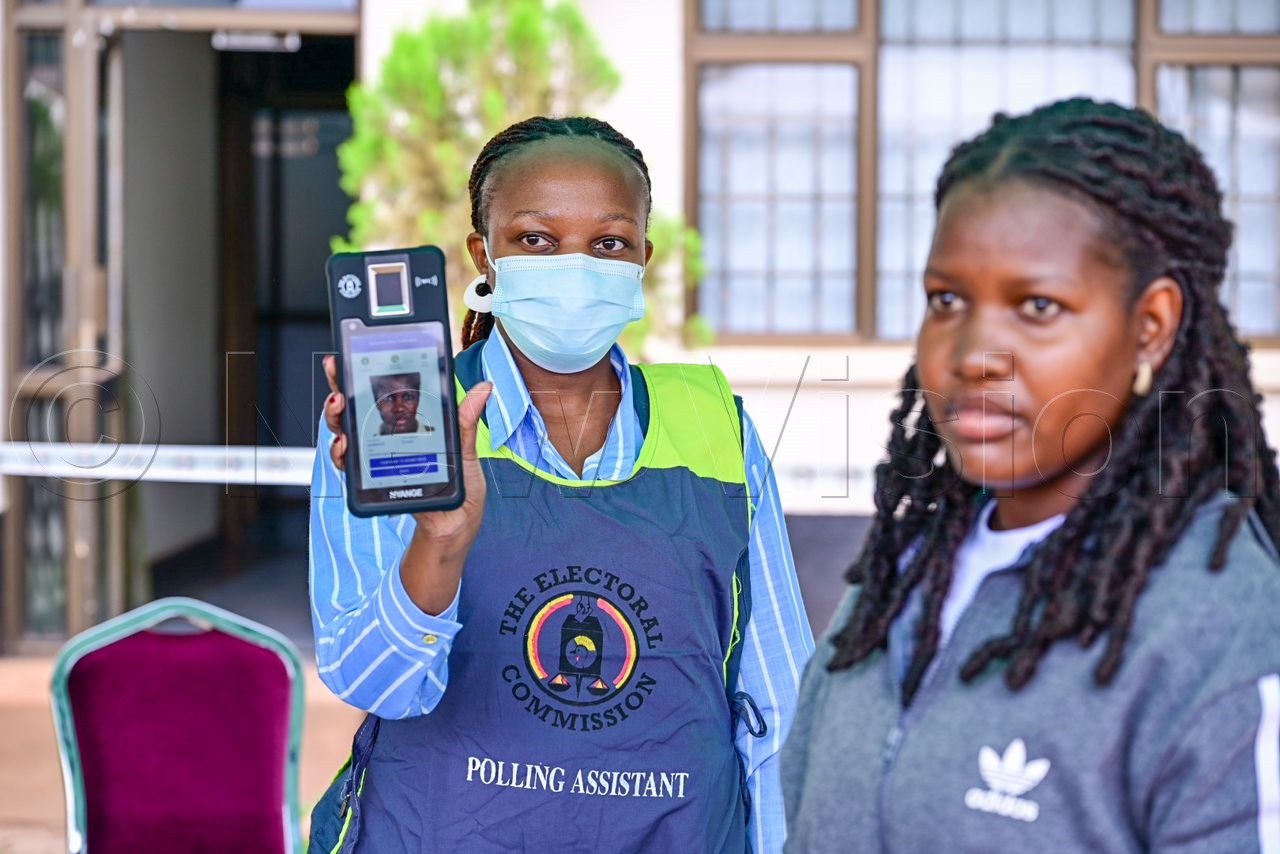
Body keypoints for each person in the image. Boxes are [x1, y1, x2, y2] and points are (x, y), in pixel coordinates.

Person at [780, 98, 1280, 852]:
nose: (975, 351)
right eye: (946, 299)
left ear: (1151, 327)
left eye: (1037, 306)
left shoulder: (1225, 628)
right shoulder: (895, 584)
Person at [310, 116, 813, 853]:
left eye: (608, 243)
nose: (574, 265)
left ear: (643, 256)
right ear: (485, 256)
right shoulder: (401, 426)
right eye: (537, 240)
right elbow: (376, 685)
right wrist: (439, 541)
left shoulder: (717, 429)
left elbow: (780, 707)